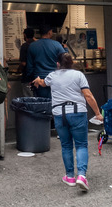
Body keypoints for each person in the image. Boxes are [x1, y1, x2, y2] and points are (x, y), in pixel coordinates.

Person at [33, 52, 102, 191]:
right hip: (78, 113)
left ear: (58, 64)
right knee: (81, 145)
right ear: (72, 63)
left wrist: (37, 80)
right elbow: (88, 95)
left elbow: (43, 83)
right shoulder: (79, 75)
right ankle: (81, 175)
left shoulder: (52, 75)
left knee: (66, 146)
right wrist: (97, 113)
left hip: (59, 114)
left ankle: (70, 177)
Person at [27, 25, 67, 99]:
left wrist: (30, 79)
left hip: (38, 79)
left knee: (40, 103)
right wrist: (66, 49)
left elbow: (30, 66)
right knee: (55, 102)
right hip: (54, 78)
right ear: (49, 32)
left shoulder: (32, 46)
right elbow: (65, 59)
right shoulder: (57, 45)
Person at [18, 28, 36, 97]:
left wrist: (19, 69)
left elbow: (23, 63)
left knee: (28, 98)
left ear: (25, 35)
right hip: (37, 76)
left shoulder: (24, 46)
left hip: (27, 77)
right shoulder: (37, 45)